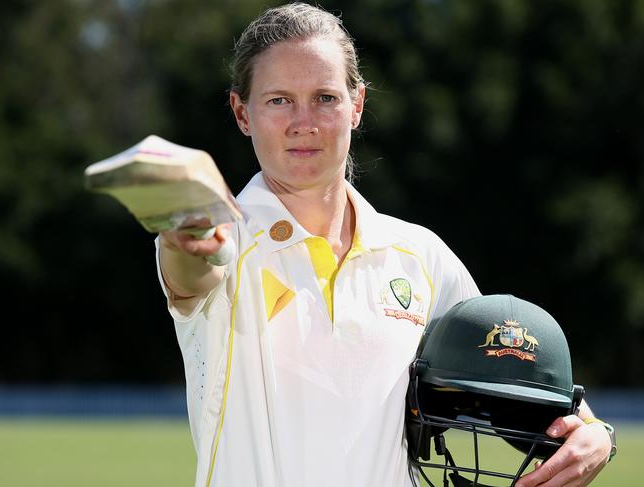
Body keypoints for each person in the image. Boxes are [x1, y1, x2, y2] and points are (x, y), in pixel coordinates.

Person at [155, 3, 613, 486]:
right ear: (241, 112)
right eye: (279, 100)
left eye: (325, 98)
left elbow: (506, 360)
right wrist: (183, 242)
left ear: (357, 104)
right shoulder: (220, 238)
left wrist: (595, 432)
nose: (303, 122)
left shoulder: (421, 255)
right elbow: (189, 272)